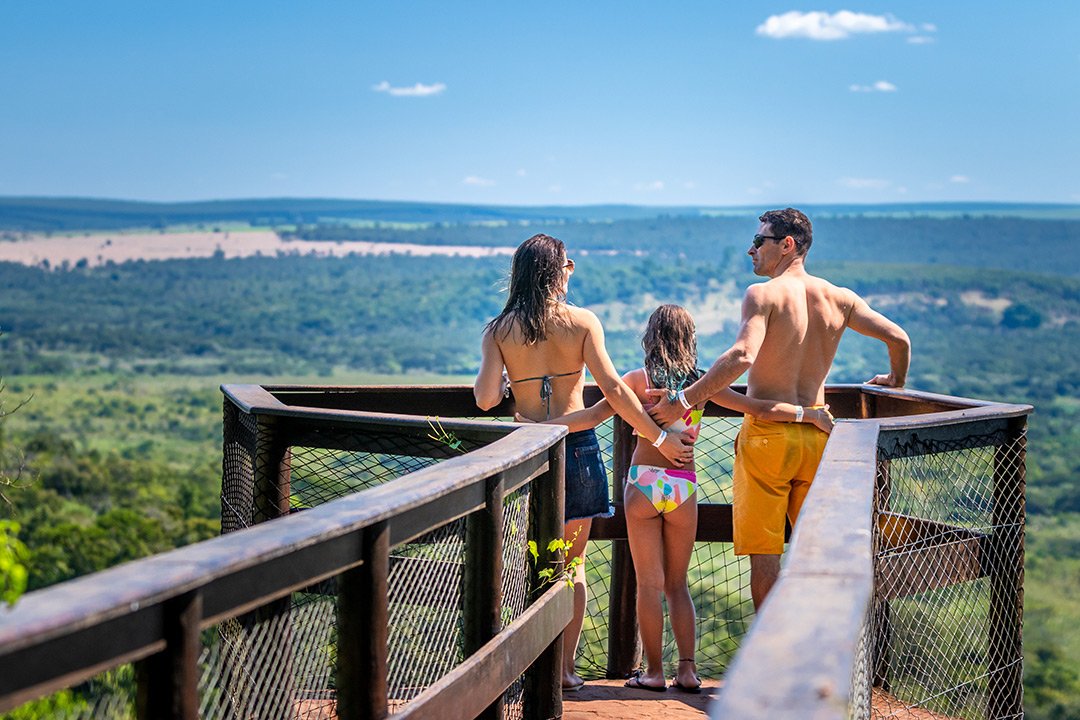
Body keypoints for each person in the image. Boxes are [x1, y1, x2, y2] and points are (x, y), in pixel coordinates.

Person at [530, 304, 832, 692]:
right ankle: (687, 671)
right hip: (682, 487)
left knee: (648, 585)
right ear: (690, 340)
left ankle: (654, 672)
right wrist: (809, 415)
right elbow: (758, 408)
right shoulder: (700, 386)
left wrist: (537, 427)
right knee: (677, 585)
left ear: (650, 338)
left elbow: (589, 417)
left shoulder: (635, 381)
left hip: (643, 483)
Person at [649, 208, 910, 611]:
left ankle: (769, 647)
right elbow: (899, 339)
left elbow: (742, 356)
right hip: (819, 435)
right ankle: (819, 641)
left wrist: (684, 400)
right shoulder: (841, 299)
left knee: (765, 558)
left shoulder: (763, 295)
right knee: (817, 555)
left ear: (787, 245)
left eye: (759, 241)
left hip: (767, 439)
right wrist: (895, 381)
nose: (750, 249)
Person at [474, 234, 695, 692]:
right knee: (571, 566)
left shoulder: (498, 331)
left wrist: (518, 389)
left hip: (525, 451)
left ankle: (529, 666)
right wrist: (658, 436)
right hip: (578, 451)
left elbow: (486, 398)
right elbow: (613, 390)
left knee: (532, 563)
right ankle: (565, 669)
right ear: (560, 272)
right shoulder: (583, 322)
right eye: (567, 265)